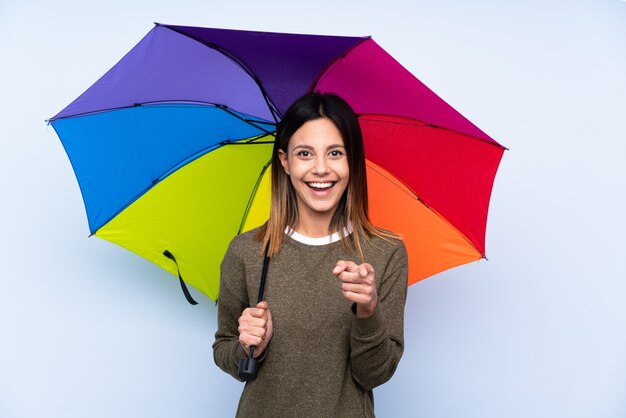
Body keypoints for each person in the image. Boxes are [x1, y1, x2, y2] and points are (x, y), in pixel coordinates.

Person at [213, 92, 408, 417]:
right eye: (305, 153)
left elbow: (374, 374)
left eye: (335, 153)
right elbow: (225, 348)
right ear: (285, 161)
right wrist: (250, 347)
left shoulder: (385, 252)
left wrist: (368, 310)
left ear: (352, 161)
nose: (321, 169)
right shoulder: (246, 251)